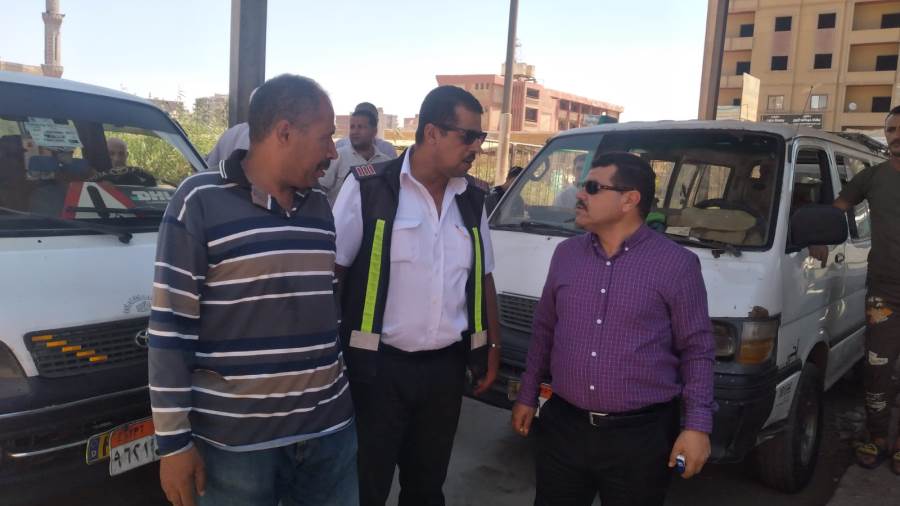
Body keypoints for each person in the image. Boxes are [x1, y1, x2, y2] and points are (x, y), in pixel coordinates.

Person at [148, 74, 357, 506]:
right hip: (237, 447)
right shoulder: (199, 201)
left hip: (329, 435)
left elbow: (323, 313)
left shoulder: (319, 207)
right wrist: (174, 443)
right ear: (284, 132)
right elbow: (170, 330)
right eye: (325, 138)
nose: (333, 153)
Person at [511, 151, 715, 506]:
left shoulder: (676, 264)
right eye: (582, 186)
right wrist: (527, 395)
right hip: (564, 426)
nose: (580, 194)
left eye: (592, 188)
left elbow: (697, 349)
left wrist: (697, 426)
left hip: (640, 438)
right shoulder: (566, 255)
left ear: (629, 200)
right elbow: (544, 330)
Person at [332, 85, 501, 506]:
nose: (477, 148)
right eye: (469, 136)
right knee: (364, 486)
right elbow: (332, 275)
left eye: (480, 137)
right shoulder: (369, 189)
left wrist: (491, 349)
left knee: (427, 487)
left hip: (445, 371)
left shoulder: (472, 199)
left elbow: (484, 278)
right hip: (377, 371)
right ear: (432, 133)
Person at [828, 105, 900, 474]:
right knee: (877, 368)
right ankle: (878, 437)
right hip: (884, 292)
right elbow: (838, 208)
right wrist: (818, 235)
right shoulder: (872, 177)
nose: (896, 136)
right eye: (891, 130)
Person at [319, 108, 393, 204]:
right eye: (352, 127)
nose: (355, 132)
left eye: (360, 127)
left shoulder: (386, 163)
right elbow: (320, 190)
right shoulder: (337, 157)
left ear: (374, 131)